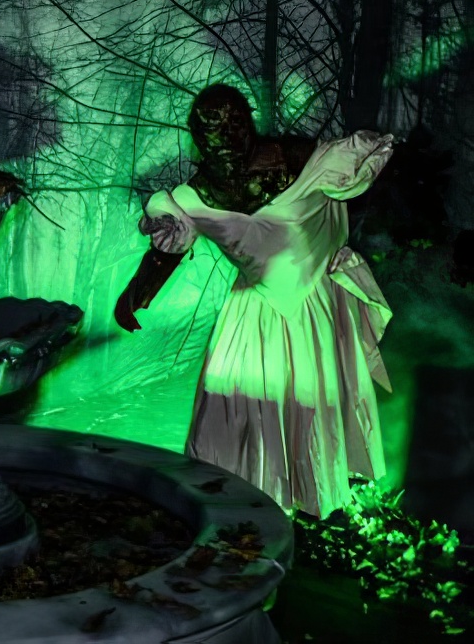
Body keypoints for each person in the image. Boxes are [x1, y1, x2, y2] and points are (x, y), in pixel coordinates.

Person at [115, 84, 393, 519]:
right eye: (211, 129)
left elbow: (359, 173)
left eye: (233, 124)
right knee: (233, 401)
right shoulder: (189, 199)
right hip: (253, 314)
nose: (224, 137)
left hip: (316, 307)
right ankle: (238, 503)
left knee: (312, 400)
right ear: (196, 135)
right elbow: (167, 250)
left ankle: (318, 501)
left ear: (247, 123)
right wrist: (136, 294)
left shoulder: (300, 158)